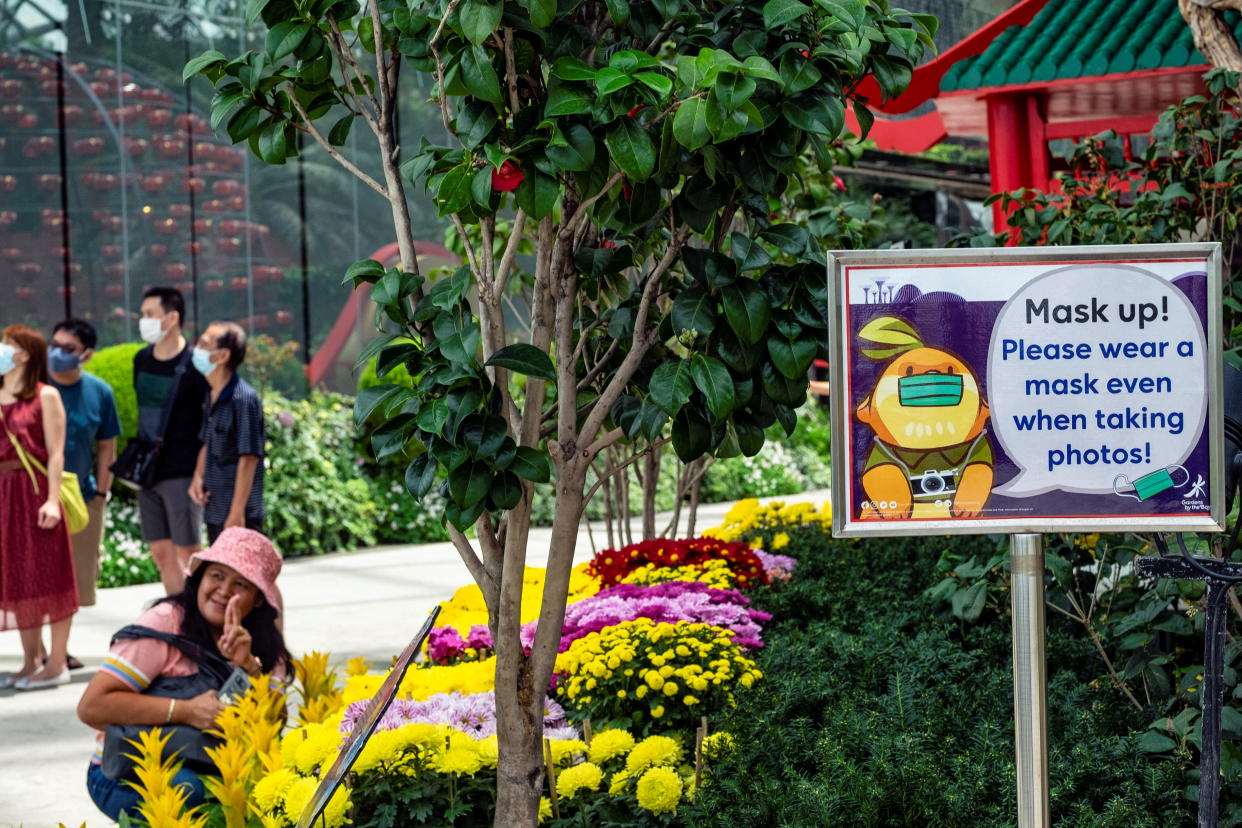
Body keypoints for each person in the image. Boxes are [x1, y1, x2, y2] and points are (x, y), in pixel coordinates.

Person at [77, 527, 288, 821]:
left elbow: (273, 729)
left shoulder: (264, 648)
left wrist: (248, 668)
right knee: (188, 790)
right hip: (123, 772)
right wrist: (185, 710)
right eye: (216, 575)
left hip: (214, 769)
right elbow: (91, 707)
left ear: (258, 600)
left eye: (240, 583)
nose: (224, 590)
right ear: (199, 577)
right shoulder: (166, 623)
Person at [0, 325, 80, 690]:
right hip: (4, 495)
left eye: (8, 345)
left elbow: (56, 451)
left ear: (25, 354)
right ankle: (31, 660)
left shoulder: (46, 396)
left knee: (51, 576)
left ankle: (57, 662)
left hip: (33, 492)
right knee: (17, 578)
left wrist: (51, 499)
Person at [134, 287, 210, 594]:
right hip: (148, 471)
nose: (144, 321)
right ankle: (176, 621)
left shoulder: (196, 363)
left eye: (150, 315)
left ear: (172, 317)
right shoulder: (141, 359)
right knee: (161, 555)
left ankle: (199, 620)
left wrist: (199, 474)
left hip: (182, 471)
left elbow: (209, 423)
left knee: (189, 552)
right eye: (142, 315)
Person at [48, 318, 122, 618]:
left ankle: (59, 652)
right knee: (38, 579)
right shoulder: (33, 385)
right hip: (36, 497)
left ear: (86, 355)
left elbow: (107, 447)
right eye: (54, 345)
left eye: (69, 348)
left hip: (82, 497)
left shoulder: (99, 392)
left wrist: (101, 495)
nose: (58, 353)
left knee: (76, 580)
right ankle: (39, 652)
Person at [188, 321, 266, 545]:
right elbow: (207, 441)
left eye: (204, 344)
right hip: (215, 507)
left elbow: (249, 457)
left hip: (240, 513)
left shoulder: (243, 399)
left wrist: (236, 512)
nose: (197, 349)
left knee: (247, 577)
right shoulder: (211, 393)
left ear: (222, 356)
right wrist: (197, 477)